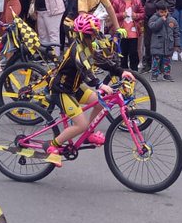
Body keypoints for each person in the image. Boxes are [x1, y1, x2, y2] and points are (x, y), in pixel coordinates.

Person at [41, 13, 133, 163]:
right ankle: (51, 145)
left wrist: (121, 71)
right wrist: (100, 84)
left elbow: (102, 61)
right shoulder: (76, 49)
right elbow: (85, 71)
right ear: (80, 35)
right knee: (81, 124)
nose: (93, 37)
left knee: (99, 102)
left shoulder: (87, 46)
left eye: (94, 33)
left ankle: (88, 134)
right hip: (61, 90)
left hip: (75, 87)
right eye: (90, 35)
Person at [113, 0, 143, 73]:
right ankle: (123, 70)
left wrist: (136, 15)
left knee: (133, 52)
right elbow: (112, 14)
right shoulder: (117, 2)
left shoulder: (137, 2)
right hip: (122, 31)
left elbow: (143, 13)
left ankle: (134, 70)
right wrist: (122, 15)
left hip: (133, 31)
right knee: (123, 52)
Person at [148, 4, 178, 82]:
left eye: (165, 11)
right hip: (157, 44)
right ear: (157, 11)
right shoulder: (154, 18)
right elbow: (153, 27)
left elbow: (176, 33)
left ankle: (166, 74)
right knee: (156, 60)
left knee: (167, 61)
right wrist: (161, 20)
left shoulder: (172, 20)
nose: (164, 14)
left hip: (168, 45)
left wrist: (176, 45)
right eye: (161, 12)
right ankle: (154, 74)